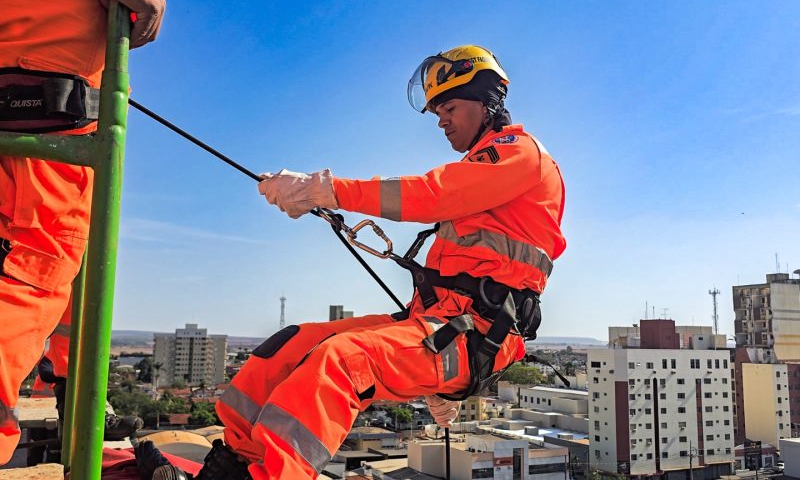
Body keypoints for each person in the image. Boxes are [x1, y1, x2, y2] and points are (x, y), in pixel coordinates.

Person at [145, 44, 566, 480]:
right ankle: (229, 467)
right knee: (290, 347)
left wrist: (323, 190)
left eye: (450, 106)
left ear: (489, 102)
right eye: (437, 109)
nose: (440, 119)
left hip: (480, 336)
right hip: (444, 327)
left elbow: (432, 193)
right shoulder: (485, 177)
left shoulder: (518, 153)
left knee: (342, 360)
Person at [0, 0, 165, 464]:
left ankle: (77, 393)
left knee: (79, 259)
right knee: (34, 271)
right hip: (43, 92)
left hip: (31, 81)